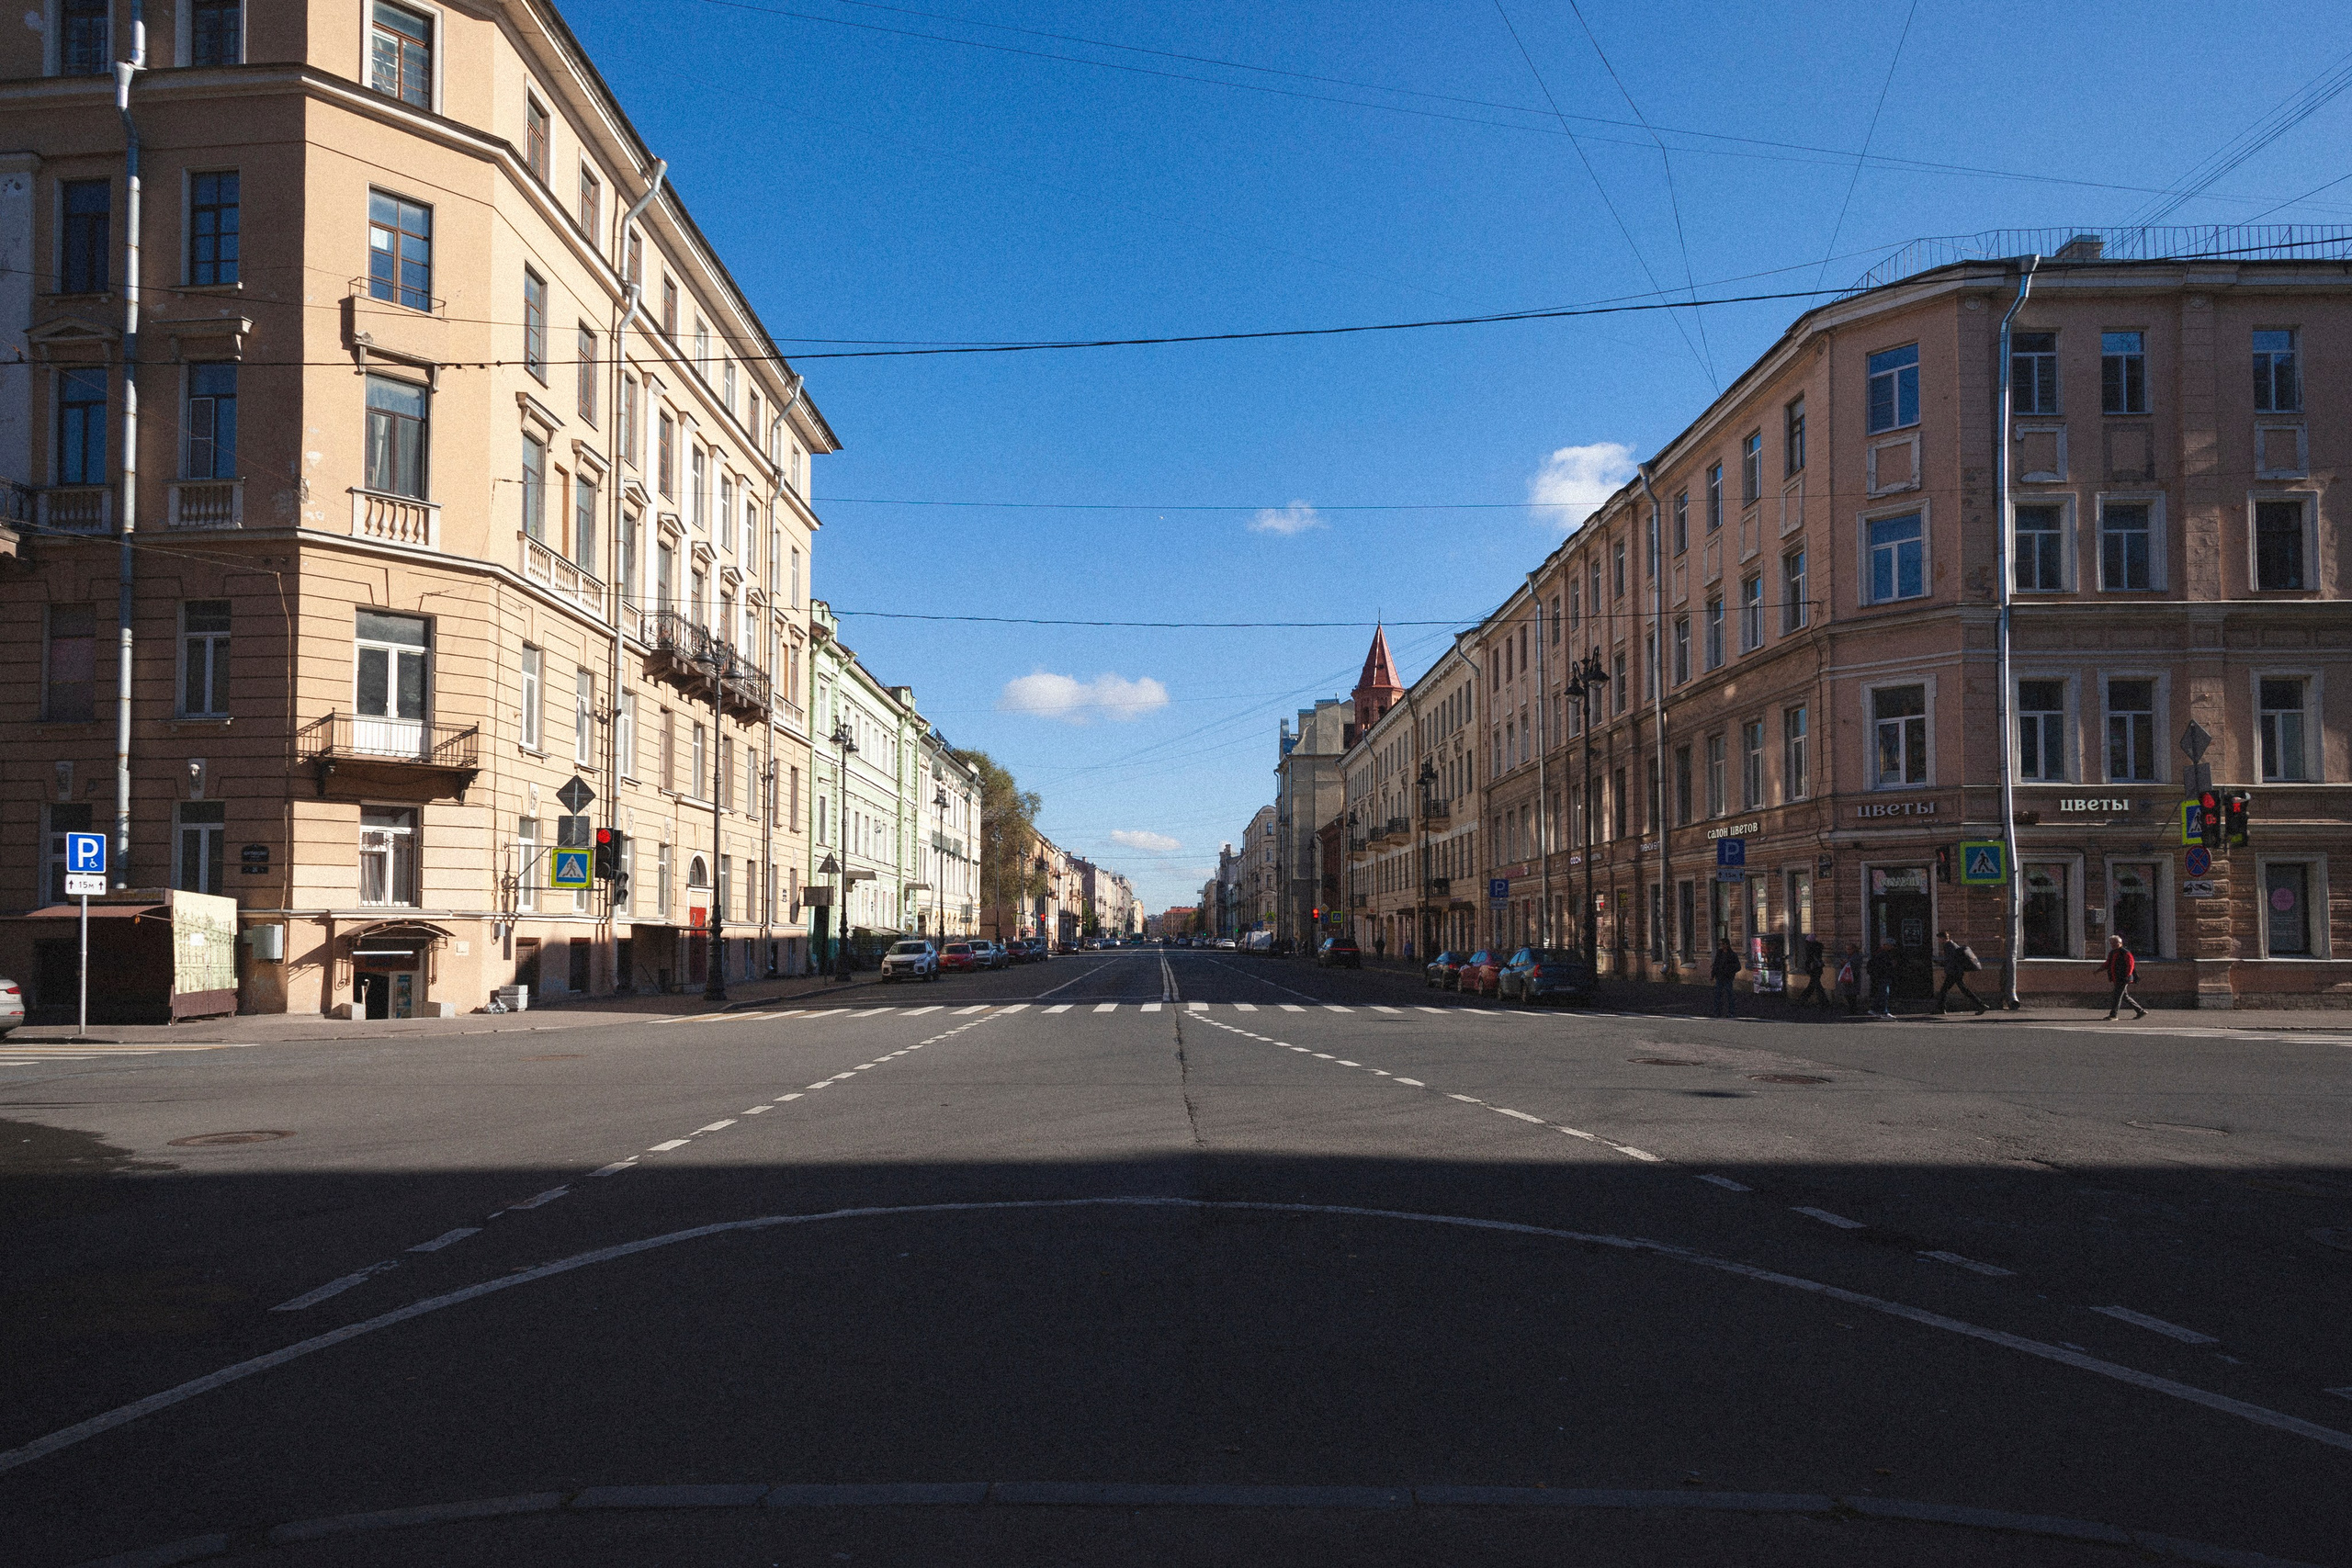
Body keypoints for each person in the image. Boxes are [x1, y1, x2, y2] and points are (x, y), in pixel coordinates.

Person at [1935, 929, 1989, 1015]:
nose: (1938, 940)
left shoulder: (1949, 946)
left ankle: (1941, 1009)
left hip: (1954, 972)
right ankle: (1981, 1005)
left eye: (1939, 939)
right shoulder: (1953, 945)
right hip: (1957, 971)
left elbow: (1951, 961)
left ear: (1943, 938)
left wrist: (1942, 966)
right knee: (1963, 990)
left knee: (1945, 990)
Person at [2103, 933, 2147, 1020]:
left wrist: (2128, 975)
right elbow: (2108, 963)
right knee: (2124, 996)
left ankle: (2113, 1015)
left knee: (2117, 996)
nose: (2113, 945)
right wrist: (2099, 969)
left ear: (2120, 943)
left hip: (2123, 978)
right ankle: (2140, 1011)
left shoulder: (2125, 953)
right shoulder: (2112, 953)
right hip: (2116, 977)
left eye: (2115, 943)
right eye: (2111, 943)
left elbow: (2131, 965)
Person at [1866, 942, 1900, 1018]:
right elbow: (1882, 966)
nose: (1892, 947)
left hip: (1883, 976)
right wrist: (1891, 964)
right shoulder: (1882, 954)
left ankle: (1874, 1009)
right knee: (1884, 993)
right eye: (1890, 945)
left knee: (1881, 993)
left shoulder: (1881, 954)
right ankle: (1884, 1011)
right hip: (1883, 976)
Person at [1796, 936, 1831, 1009]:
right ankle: (1803, 1000)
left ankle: (1823, 1002)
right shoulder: (1818, 947)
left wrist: (1807, 968)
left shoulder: (1810, 948)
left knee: (1815, 986)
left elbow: (1808, 959)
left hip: (1813, 969)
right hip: (1818, 968)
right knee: (1814, 985)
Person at [1710, 938, 1741, 1017]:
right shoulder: (1719, 953)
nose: (1721, 946)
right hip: (1719, 977)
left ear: (1727, 945)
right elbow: (1716, 964)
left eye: (1723, 944)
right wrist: (1712, 975)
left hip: (1728, 978)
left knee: (1729, 995)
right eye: (1720, 944)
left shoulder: (1732, 955)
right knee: (1718, 995)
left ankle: (1731, 1012)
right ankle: (1717, 1012)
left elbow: (1738, 967)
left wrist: (1730, 971)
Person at [1837, 943, 1865, 1015]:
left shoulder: (1857, 956)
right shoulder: (1845, 955)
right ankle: (1851, 1008)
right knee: (1847, 994)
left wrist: (1849, 963)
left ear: (1854, 949)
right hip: (1846, 977)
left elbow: (1857, 965)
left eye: (1850, 949)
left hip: (1854, 976)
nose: (1848, 951)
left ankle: (1853, 1009)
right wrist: (1842, 963)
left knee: (1853, 994)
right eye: (1847, 949)